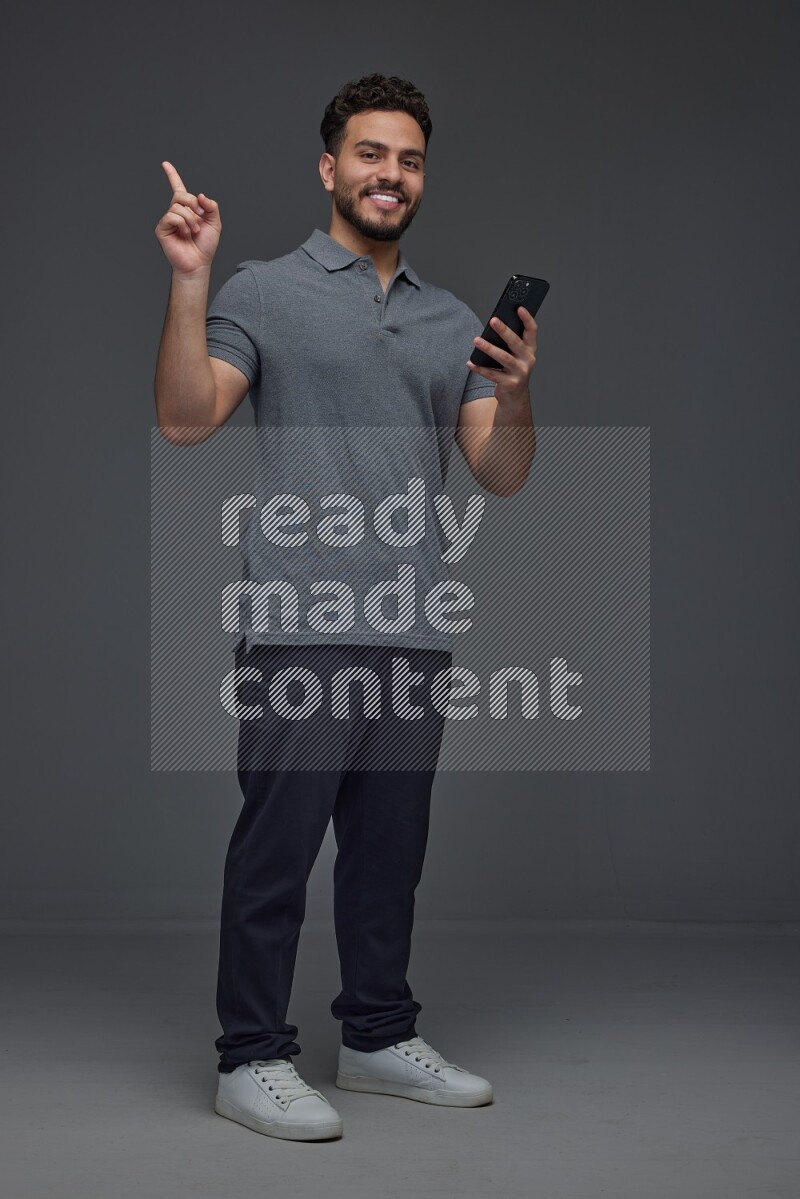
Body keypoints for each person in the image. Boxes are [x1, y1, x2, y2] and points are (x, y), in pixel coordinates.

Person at [153, 72, 538, 1142]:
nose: (390, 175)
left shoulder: (453, 318)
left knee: (387, 850)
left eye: (408, 159)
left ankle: (374, 1034)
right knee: (277, 846)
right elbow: (187, 418)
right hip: (299, 618)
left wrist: (510, 390)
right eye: (370, 154)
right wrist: (190, 280)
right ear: (330, 168)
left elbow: (496, 473)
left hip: (413, 624)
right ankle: (250, 1055)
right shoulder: (263, 292)